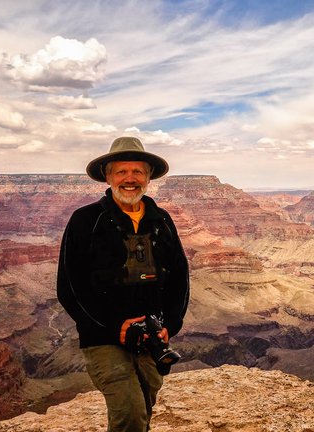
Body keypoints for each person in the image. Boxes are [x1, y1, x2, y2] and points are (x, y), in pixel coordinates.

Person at [57, 136, 190, 431]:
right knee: (129, 412)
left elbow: (180, 276)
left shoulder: (162, 220)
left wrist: (171, 324)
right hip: (104, 338)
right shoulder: (85, 220)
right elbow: (69, 286)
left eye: (137, 172)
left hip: (151, 337)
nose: (130, 179)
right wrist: (113, 326)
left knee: (143, 408)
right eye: (121, 172)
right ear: (108, 176)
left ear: (148, 177)